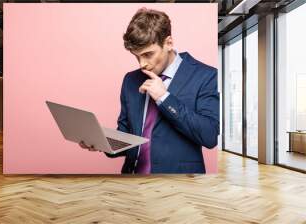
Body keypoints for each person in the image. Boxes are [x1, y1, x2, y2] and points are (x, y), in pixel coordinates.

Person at [79, 8, 219, 174]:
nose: (142, 64)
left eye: (148, 54)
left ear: (168, 43)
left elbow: (209, 136)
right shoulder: (130, 80)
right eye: (137, 56)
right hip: (132, 182)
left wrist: (164, 98)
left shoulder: (205, 75)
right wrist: (102, 141)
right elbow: (127, 135)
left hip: (180, 185)